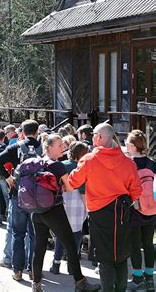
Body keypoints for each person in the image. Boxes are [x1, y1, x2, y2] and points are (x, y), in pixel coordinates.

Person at [69, 123, 142, 292]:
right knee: (121, 256)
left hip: (99, 213)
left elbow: (74, 181)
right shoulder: (128, 162)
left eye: (93, 134)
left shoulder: (89, 160)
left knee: (104, 258)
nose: (92, 136)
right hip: (122, 212)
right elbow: (136, 191)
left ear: (99, 137)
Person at [29, 134, 100, 292]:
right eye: (59, 145)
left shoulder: (35, 162)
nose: (63, 147)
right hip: (54, 210)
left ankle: (36, 284)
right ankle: (80, 283)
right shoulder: (57, 166)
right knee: (70, 245)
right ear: (49, 148)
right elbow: (69, 188)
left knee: (39, 247)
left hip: (37, 211)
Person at [0, 119, 40, 281]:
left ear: (22, 132)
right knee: (34, 235)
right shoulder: (43, 147)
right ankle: (34, 270)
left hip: (18, 195)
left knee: (18, 234)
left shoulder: (16, 147)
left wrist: (8, 177)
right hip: (38, 198)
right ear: (37, 132)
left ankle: (17, 271)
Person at [50, 141, 89, 275]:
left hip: (62, 202)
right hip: (77, 203)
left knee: (61, 235)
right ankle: (72, 266)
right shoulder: (82, 167)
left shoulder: (61, 165)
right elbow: (83, 191)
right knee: (76, 235)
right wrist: (88, 208)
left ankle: (56, 264)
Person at [125, 130, 156, 290]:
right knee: (149, 243)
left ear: (132, 146)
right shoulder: (153, 164)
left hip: (134, 210)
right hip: (152, 209)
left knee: (135, 245)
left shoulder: (128, 164)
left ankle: (138, 278)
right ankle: (150, 277)